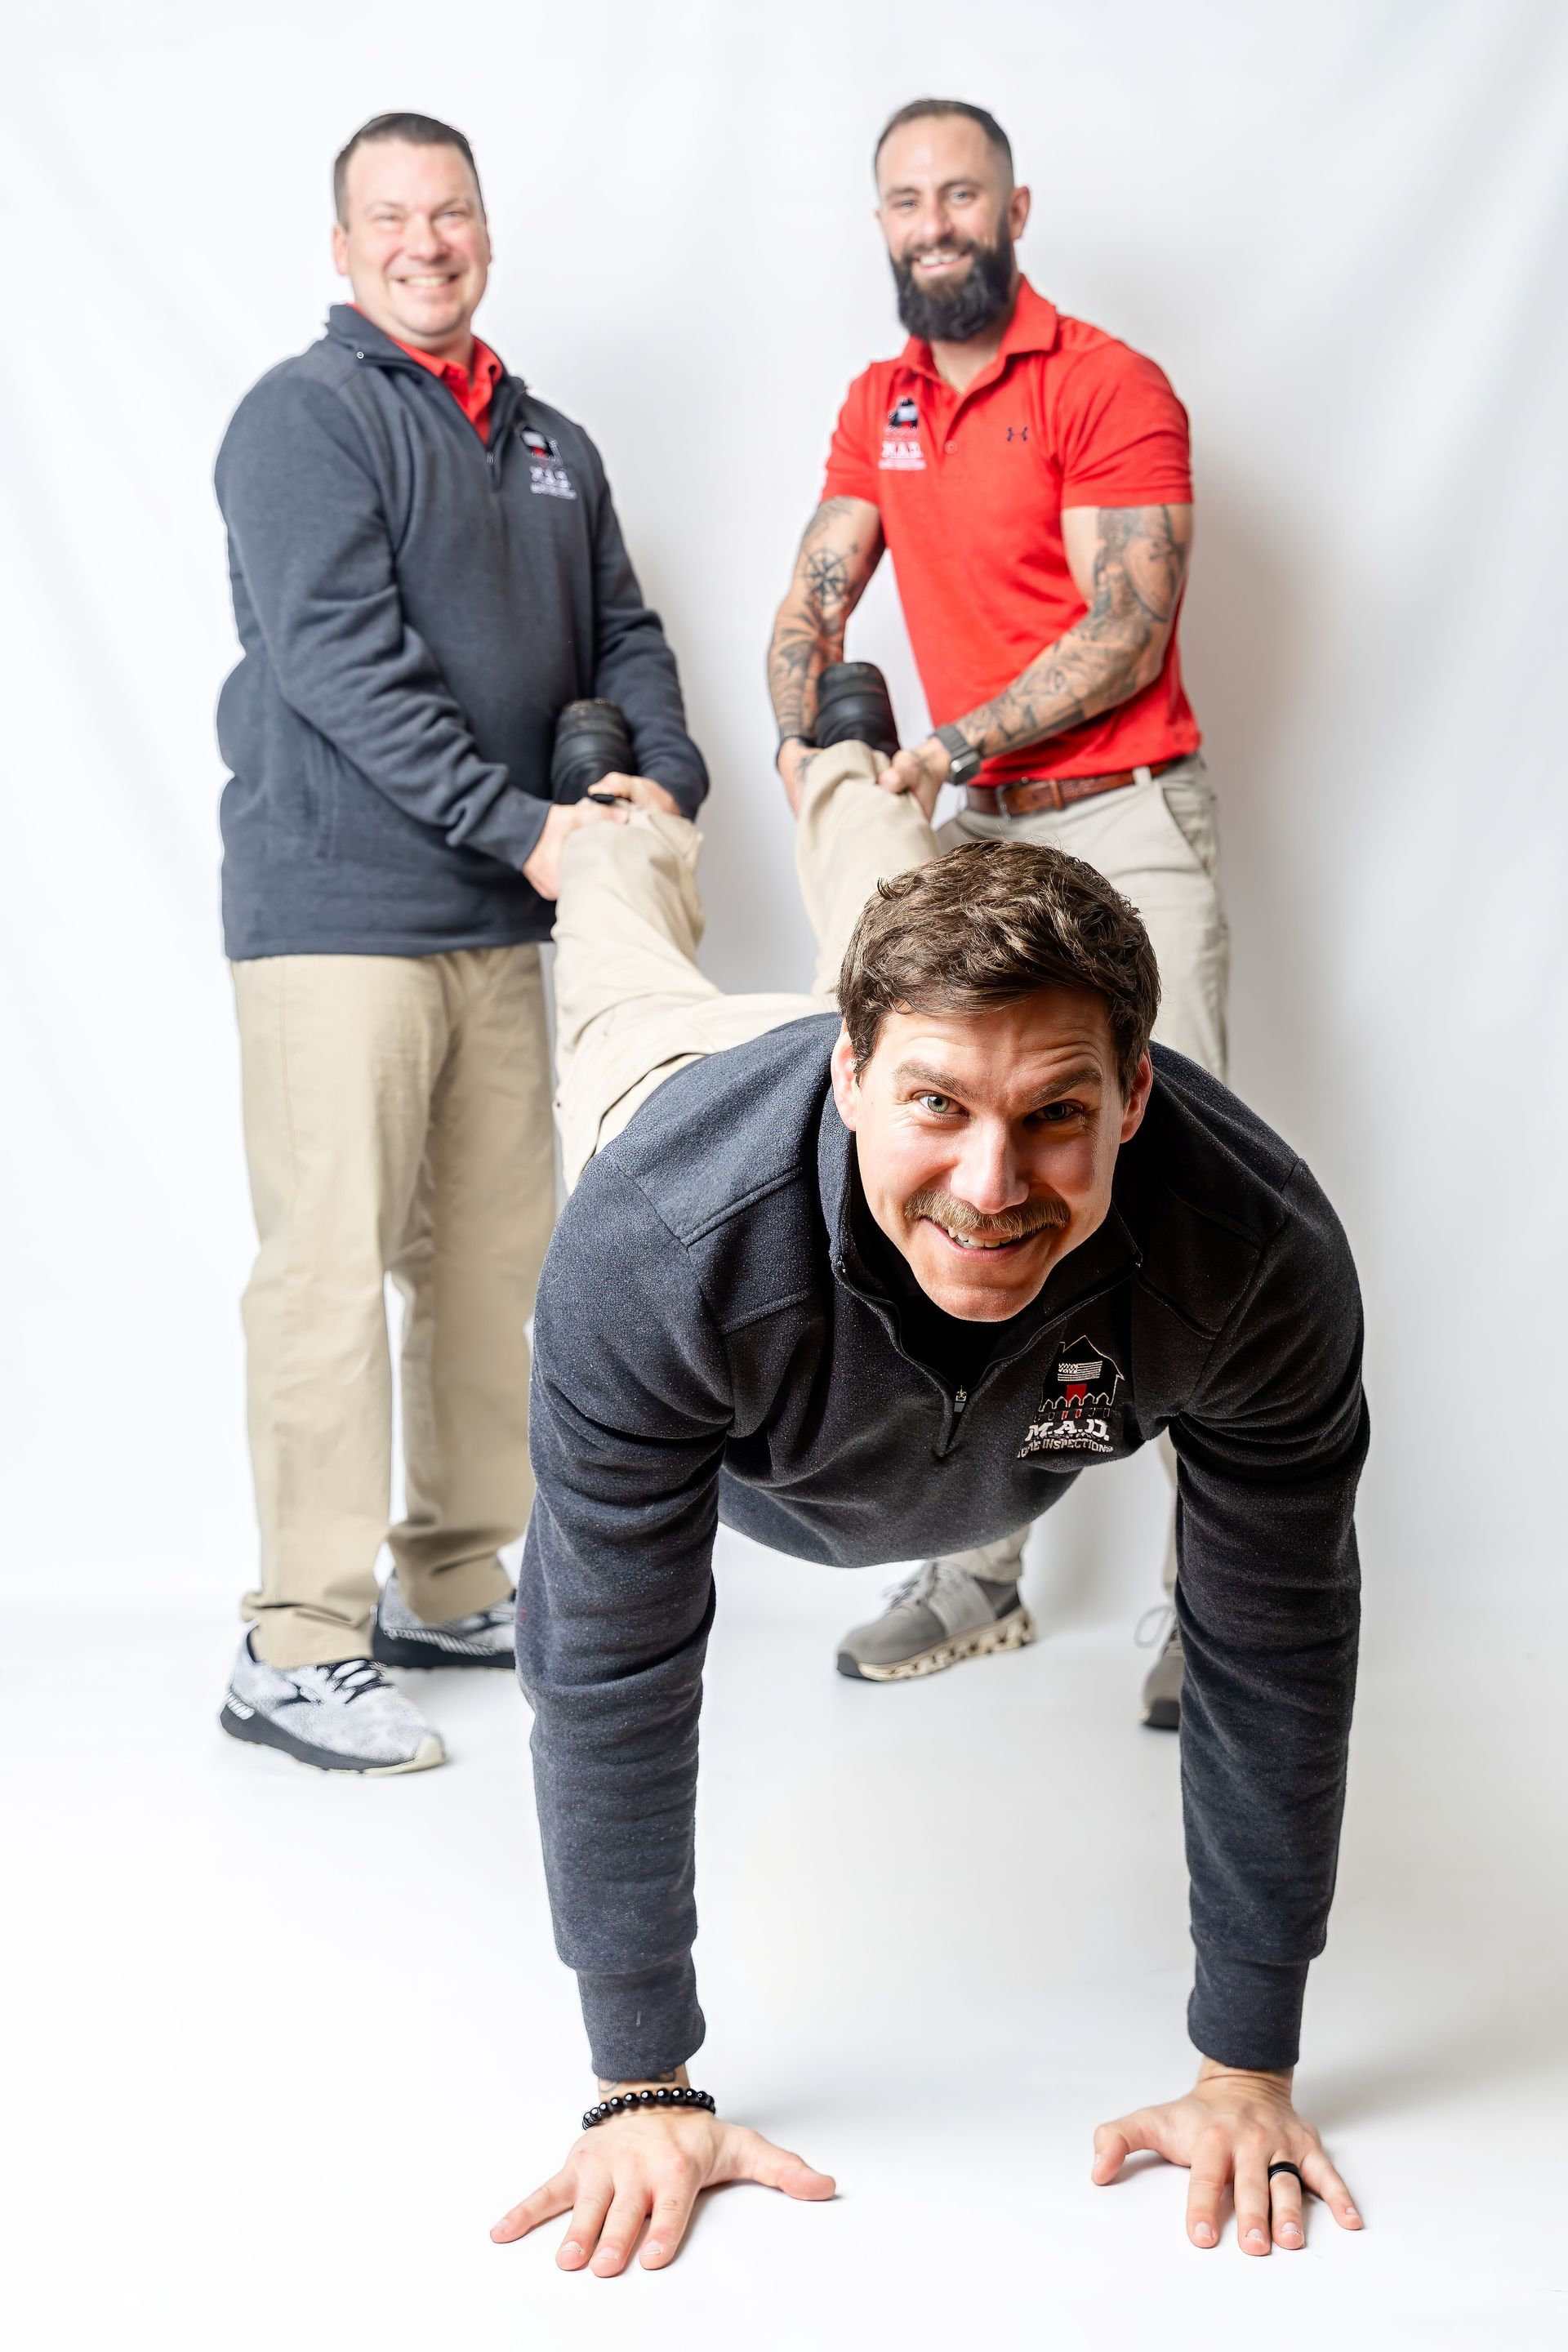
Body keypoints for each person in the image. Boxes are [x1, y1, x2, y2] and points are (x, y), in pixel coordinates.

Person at [489, 745, 1367, 2274]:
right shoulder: (658, 1245)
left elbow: (1274, 1646)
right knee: (625, 970)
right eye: (937, 1106)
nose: (993, 1183)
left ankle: (845, 770)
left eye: (1058, 1115)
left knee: (936, 947)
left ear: (1136, 1095)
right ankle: (620, 822)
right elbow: (610, 1666)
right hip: (682, 1092)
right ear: (850, 1077)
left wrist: (1248, 2063)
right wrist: (641, 2080)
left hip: (875, 1092)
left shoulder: (1250, 1258)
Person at [212, 112, 705, 1775]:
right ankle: (296, 1638)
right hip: (339, 914)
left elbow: (624, 632)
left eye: (452, 213)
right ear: (342, 249)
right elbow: (341, 666)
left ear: (486, 231)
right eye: (391, 218)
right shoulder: (305, 417)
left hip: (504, 915)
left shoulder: (552, 441)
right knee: (328, 1270)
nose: (426, 242)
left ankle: (448, 1581)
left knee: (495, 1267)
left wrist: (662, 778)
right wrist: (529, 827)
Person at [768, 98, 1226, 1724]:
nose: (934, 222)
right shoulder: (881, 401)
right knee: (969, 1189)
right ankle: (979, 1571)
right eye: (906, 200)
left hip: (1124, 813)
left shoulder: (1106, 383)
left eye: (960, 192)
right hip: (975, 837)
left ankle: (1214, 1601)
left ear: (1014, 209)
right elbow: (818, 592)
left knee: (1175, 1198)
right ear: (882, 224)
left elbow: (1128, 622)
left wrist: (950, 742)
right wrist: (806, 734)